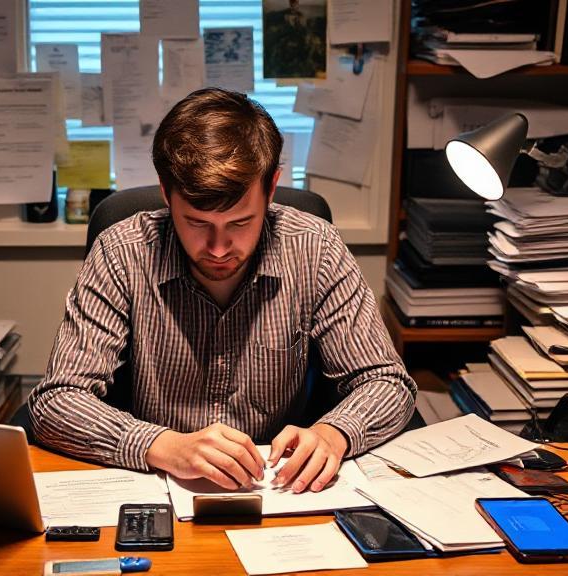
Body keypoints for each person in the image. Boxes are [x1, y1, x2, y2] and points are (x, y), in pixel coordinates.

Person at [29, 88, 416, 494]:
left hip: (278, 490)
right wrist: (163, 445)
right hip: (158, 489)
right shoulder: (122, 253)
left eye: (239, 223)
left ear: (271, 189)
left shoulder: (315, 247)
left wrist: (335, 433)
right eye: (196, 223)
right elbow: (57, 400)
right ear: (166, 194)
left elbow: (387, 382)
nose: (217, 249)